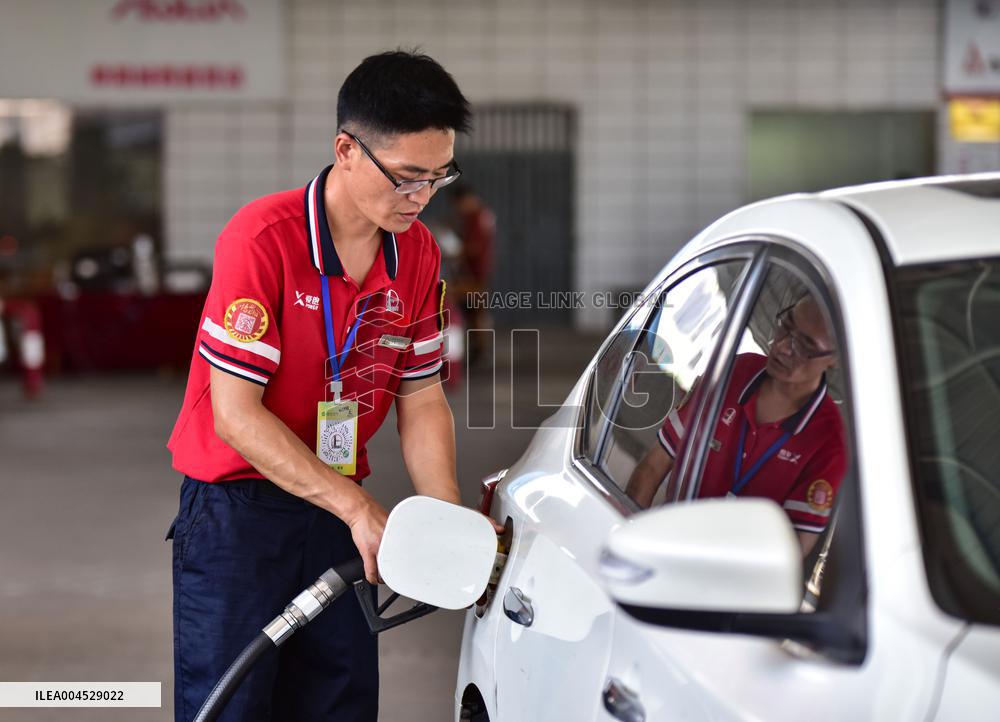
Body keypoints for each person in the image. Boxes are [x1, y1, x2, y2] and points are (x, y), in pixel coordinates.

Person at [166, 50, 475, 722]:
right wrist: (361, 512)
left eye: (437, 177)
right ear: (346, 149)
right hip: (236, 515)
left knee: (339, 702)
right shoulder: (263, 239)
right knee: (232, 706)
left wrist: (442, 514)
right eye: (406, 178)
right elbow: (236, 417)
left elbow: (420, 398)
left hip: (334, 509)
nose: (420, 197)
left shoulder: (417, 253)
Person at [625, 295, 847, 556]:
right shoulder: (732, 373)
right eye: (786, 326)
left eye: (805, 346)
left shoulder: (829, 441)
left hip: (735, 586)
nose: (783, 347)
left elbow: (791, 554)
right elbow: (651, 469)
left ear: (835, 358)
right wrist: (633, 547)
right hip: (668, 555)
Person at [449, 183, 495, 366]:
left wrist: (456, 253)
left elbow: (474, 248)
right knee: (473, 312)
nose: (459, 209)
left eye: (459, 204)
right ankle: (478, 351)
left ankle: (480, 352)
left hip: (475, 275)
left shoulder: (477, 217)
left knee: (476, 313)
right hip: (474, 273)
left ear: (466, 199)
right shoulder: (480, 216)